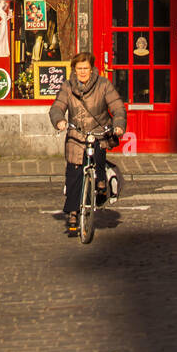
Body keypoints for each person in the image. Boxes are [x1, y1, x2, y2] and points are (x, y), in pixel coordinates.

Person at [49, 51, 126, 237]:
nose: (83, 72)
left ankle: (100, 183)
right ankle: (74, 213)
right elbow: (57, 107)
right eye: (79, 69)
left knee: (98, 152)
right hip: (76, 134)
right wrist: (59, 120)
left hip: (99, 132)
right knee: (74, 171)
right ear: (74, 70)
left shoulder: (103, 85)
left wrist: (118, 125)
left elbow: (117, 107)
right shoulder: (67, 87)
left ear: (92, 70)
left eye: (86, 68)